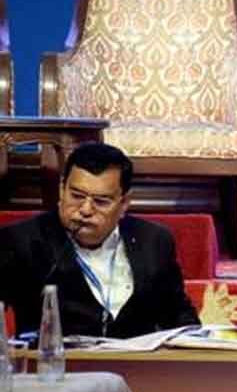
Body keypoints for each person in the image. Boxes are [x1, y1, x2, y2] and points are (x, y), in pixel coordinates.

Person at [0, 142, 200, 338]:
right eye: (76, 196)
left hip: (137, 359)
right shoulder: (22, 241)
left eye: (101, 201)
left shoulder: (154, 241)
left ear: (124, 203)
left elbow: (179, 316)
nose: (86, 210)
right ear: (62, 190)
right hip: (59, 359)